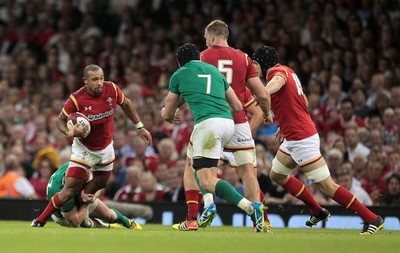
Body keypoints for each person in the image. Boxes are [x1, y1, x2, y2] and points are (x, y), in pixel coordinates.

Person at [252, 45, 384, 235]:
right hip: (294, 135)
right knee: (277, 174)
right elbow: (303, 101)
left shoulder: (277, 73)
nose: (254, 68)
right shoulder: (288, 70)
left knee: (327, 186)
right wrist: (286, 123)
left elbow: (277, 83)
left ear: (264, 63)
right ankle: (317, 210)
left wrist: (263, 94)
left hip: (302, 138)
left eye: (256, 63)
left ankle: (372, 218)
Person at [172, 19, 272, 233]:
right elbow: (262, 93)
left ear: (211, 36)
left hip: (211, 119)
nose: (205, 41)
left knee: (193, 166)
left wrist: (173, 107)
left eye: (206, 38)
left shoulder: (202, 57)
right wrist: (266, 111)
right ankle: (259, 223)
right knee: (248, 172)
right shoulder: (244, 58)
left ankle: (194, 216)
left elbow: (188, 85)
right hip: (238, 121)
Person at [31, 64, 152, 227]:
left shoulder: (112, 89)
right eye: (95, 79)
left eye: (101, 78)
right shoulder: (76, 98)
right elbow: (60, 120)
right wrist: (69, 132)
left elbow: (126, 104)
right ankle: (40, 220)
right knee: (69, 189)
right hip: (84, 150)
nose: (100, 82)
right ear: (85, 81)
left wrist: (140, 127)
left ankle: (87, 209)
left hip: (105, 147)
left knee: (101, 183)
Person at [47, 162, 142, 229]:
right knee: (85, 224)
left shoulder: (76, 168)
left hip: (77, 196)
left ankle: (127, 222)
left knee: (108, 215)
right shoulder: (62, 193)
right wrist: (86, 204)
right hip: (63, 215)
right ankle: (106, 226)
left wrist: (93, 197)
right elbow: (76, 222)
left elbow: (99, 186)